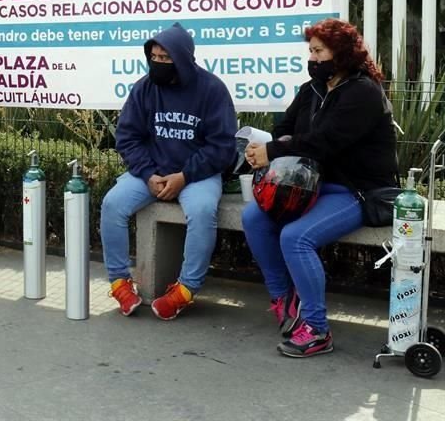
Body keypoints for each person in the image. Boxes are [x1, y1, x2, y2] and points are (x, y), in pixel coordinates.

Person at [241, 18, 397, 358]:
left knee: (296, 237)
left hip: (357, 191)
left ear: (340, 54)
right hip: (311, 186)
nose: (312, 59)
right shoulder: (311, 90)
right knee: (254, 218)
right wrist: (264, 147)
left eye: (318, 51)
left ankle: (316, 329)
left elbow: (325, 143)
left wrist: (275, 150)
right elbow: (284, 127)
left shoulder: (363, 92)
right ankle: (284, 300)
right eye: (310, 51)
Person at [101, 23, 237, 320]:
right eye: (155, 57)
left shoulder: (211, 90)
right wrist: (148, 174)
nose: (159, 63)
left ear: (184, 58)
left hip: (195, 176)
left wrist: (184, 176)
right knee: (113, 204)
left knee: (202, 211)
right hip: (150, 174)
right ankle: (120, 282)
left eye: (166, 58)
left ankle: (186, 289)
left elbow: (222, 147)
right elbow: (127, 138)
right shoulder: (144, 88)